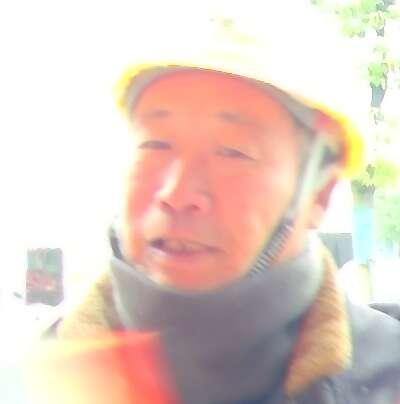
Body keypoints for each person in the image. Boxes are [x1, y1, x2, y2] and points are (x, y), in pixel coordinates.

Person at [14, 3, 400, 404]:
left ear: (319, 194)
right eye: (154, 144)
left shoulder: (388, 378)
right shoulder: (27, 385)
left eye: (233, 152)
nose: (177, 193)